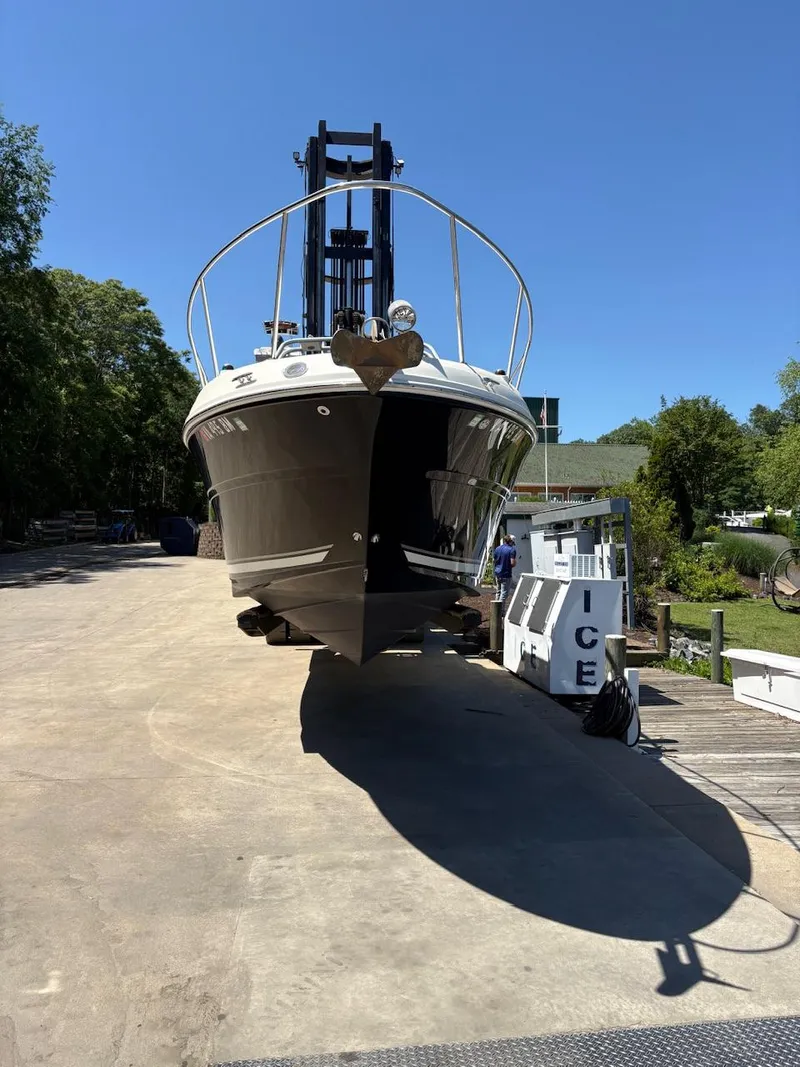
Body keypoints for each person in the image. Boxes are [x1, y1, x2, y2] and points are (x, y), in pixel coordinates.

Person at [493, 534, 517, 606]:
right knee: (504, 594)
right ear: (511, 542)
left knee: (498, 592)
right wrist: (515, 562)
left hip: (497, 573)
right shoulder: (512, 550)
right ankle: (501, 612)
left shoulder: (497, 548)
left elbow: (494, 560)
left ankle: (496, 609)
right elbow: (512, 563)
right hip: (506, 574)